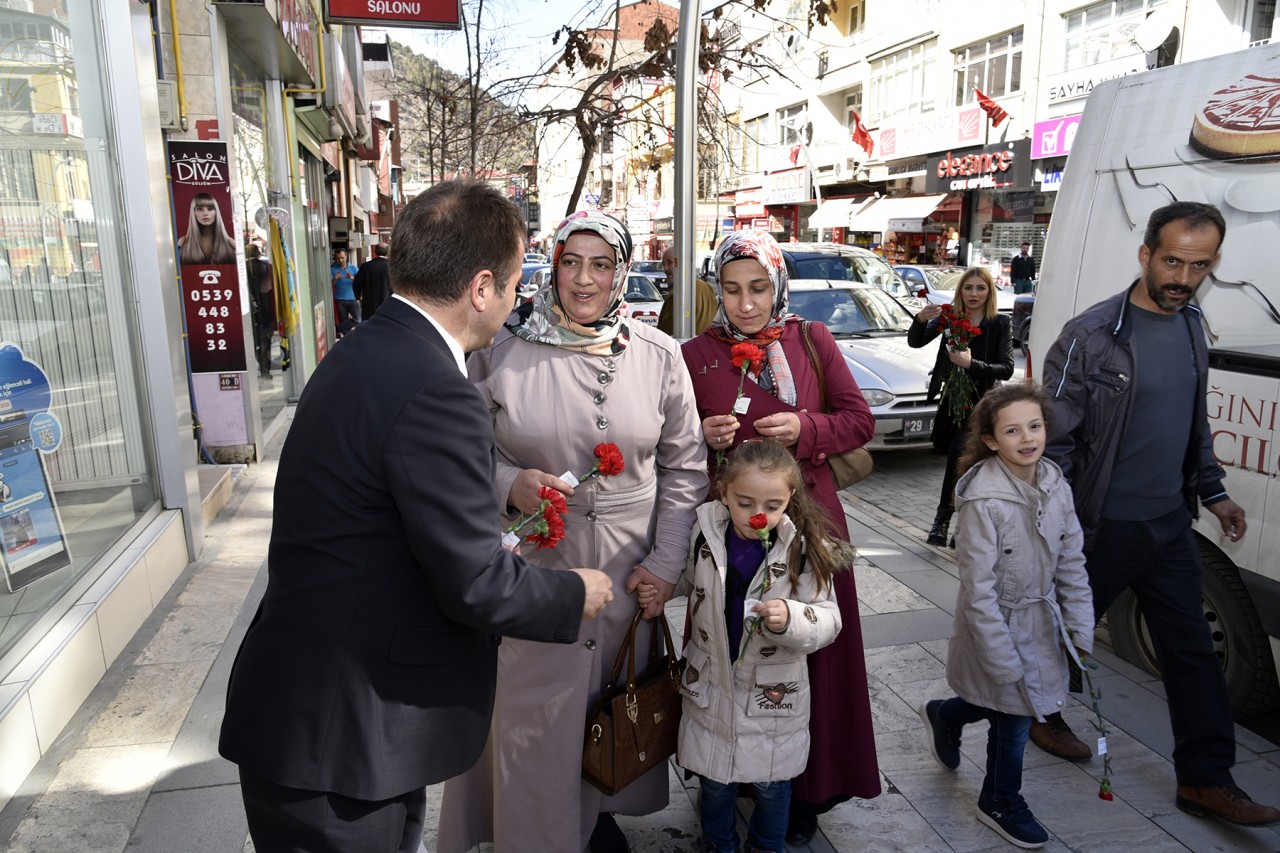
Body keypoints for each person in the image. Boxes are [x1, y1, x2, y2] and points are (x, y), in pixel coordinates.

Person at [217, 179, 615, 853]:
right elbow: (476, 586)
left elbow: (381, 520)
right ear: (482, 286)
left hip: (326, 719)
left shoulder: (371, 348)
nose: (519, 299)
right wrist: (580, 590)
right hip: (340, 736)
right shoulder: (437, 387)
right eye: (518, 283)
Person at [436, 211, 707, 853]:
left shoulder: (659, 355)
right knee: (536, 708)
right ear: (550, 265)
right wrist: (508, 484)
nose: (584, 279)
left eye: (602, 264)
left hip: (626, 566)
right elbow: (461, 450)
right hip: (536, 561)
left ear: (622, 272)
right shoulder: (500, 351)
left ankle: (591, 816)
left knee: (606, 700)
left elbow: (685, 466)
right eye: (571, 261)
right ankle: (539, 830)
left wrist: (666, 565)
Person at [1039, 201, 1280, 826]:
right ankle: (1020, 714)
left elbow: (1191, 422)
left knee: (1193, 652)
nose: (1182, 277)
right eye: (1172, 261)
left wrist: (1214, 491)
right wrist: (1059, 526)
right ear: (1146, 255)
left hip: (1171, 523)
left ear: (1213, 265)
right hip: (1103, 526)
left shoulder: (1193, 322)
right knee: (1061, 638)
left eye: (1197, 265)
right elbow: (1053, 443)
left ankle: (1206, 780)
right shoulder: (1090, 336)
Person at [681, 230, 880, 844]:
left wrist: (806, 426)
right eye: (733, 290)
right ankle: (735, 772)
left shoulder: (811, 340)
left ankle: (808, 789)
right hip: (731, 535)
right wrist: (703, 437)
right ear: (716, 291)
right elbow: (671, 441)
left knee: (809, 650)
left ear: (778, 286)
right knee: (732, 649)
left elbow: (859, 419)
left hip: (810, 527)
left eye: (759, 288)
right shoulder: (694, 354)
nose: (746, 304)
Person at [919, 382, 1094, 849]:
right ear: (993, 441)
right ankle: (999, 799)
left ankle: (947, 715)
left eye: (1034, 426)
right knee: (1015, 716)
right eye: (1013, 431)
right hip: (995, 625)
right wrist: (1000, 656)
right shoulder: (983, 501)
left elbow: (1072, 561)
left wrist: (1079, 626)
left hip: (1042, 622)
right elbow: (979, 591)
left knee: (1004, 701)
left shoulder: (1055, 482)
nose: (1027, 438)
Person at [674, 439, 847, 853]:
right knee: (716, 782)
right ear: (723, 492)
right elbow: (686, 578)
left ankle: (768, 845)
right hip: (712, 681)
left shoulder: (804, 547)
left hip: (771, 694)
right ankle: (719, 842)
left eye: (772, 505)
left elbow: (829, 618)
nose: (758, 515)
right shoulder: (705, 532)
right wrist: (657, 589)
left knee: (772, 786)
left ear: (790, 498)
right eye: (744, 502)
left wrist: (791, 618)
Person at [907, 267, 1014, 547]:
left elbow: (1006, 369)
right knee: (957, 461)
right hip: (954, 403)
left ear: (989, 292)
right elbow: (916, 342)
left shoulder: (999, 323)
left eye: (981, 288)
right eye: (968, 288)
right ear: (960, 291)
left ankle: (954, 525)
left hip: (984, 405)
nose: (974, 294)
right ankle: (944, 521)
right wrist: (920, 319)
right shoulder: (951, 317)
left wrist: (971, 364)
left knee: (973, 465)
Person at [656, 245, 717, 336]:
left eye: (669, 263)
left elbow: (664, 334)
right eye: (663, 264)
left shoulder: (679, 293)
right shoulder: (706, 287)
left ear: (683, 262)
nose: (665, 269)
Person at [178, 192, 236, 265]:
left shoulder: (230, 243)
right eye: (199, 209)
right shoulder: (183, 242)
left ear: (216, 212)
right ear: (194, 213)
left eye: (210, 209)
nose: (205, 213)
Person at [245, 244, 275, 376]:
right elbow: (266, 292)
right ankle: (265, 369)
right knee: (265, 341)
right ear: (258, 253)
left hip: (248, 313)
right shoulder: (264, 268)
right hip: (264, 311)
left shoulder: (242, 268)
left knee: (254, 340)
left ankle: (255, 367)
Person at [355, 243, 392, 318]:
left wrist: (358, 297)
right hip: (388, 303)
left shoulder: (365, 266)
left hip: (369, 303)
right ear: (388, 252)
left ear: (375, 251)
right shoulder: (392, 267)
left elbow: (357, 284)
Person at [330, 248, 360, 335]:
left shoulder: (354, 268)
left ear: (346, 257)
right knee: (344, 321)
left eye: (342, 257)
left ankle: (338, 328)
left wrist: (351, 277)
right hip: (340, 299)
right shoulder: (333, 269)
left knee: (357, 319)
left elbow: (359, 282)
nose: (340, 260)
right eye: (338, 258)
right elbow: (331, 284)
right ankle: (346, 339)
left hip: (353, 298)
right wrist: (335, 279)